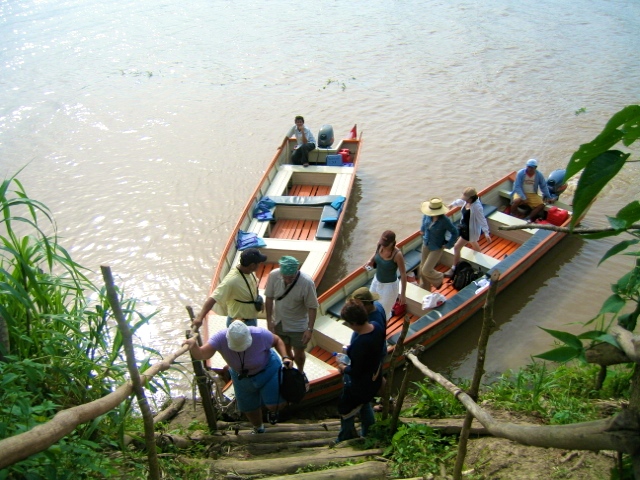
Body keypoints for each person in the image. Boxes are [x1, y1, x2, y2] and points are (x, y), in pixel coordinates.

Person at [184, 320, 293, 432]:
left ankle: (272, 407)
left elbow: (277, 340)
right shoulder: (220, 338)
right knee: (248, 407)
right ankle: (258, 427)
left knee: (275, 404)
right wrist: (194, 346)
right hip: (241, 376)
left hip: (267, 370)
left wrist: (285, 357)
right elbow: (202, 354)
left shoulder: (259, 333)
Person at [335, 299, 385, 442]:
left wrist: (343, 367)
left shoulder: (360, 344)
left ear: (354, 323)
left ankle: (345, 437)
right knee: (364, 404)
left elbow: (355, 371)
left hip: (360, 384)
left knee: (345, 409)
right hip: (374, 378)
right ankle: (368, 431)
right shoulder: (377, 327)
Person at [265, 256, 319, 373]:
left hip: (298, 326)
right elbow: (269, 298)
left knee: (299, 353)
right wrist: (269, 320)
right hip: (279, 322)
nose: (289, 280)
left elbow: (312, 307)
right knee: (285, 349)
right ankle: (290, 369)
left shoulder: (307, 283)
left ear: (297, 271)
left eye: (292, 278)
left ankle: (300, 372)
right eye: (286, 278)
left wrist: (309, 329)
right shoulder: (274, 275)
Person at [193, 248, 267, 329]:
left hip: (251, 317)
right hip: (239, 323)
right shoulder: (232, 281)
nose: (260, 265)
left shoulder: (250, 272)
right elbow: (213, 298)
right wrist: (200, 318)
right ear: (252, 265)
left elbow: (252, 288)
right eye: (259, 263)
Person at [445, 187, 492, 278]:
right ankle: (480, 258)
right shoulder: (467, 202)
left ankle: (454, 268)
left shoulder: (477, 207)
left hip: (470, 231)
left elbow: (482, 220)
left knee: (457, 247)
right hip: (464, 227)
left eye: (466, 199)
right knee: (473, 242)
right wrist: (452, 205)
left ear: (471, 198)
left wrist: (486, 232)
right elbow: (460, 201)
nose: (464, 200)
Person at [365, 230, 407, 321]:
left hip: (389, 287)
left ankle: (382, 332)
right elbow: (376, 253)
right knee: (369, 304)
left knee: (383, 313)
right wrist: (370, 260)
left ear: (392, 243)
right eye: (382, 243)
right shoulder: (380, 245)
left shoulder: (397, 255)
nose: (383, 245)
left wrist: (402, 294)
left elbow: (403, 275)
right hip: (377, 280)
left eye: (385, 244)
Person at [419, 198, 459, 291]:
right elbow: (423, 225)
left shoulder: (444, 221)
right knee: (422, 271)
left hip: (437, 247)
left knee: (426, 270)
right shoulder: (427, 215)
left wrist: (449, 244)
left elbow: (455, 232)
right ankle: (425, 290)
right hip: (426, 243)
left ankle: (440, 277)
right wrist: (422, 230)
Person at [511, 158, 556, 222]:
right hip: (520, 192)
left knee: (541, 205)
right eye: (528, 167)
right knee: (516, 201)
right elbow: (517, 186)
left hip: (532, 194)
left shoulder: (539, 175)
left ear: (535, 167)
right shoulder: (520, 173)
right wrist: (523, 197)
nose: (529, 169)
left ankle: (528, 218)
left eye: (532, 167)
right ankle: (513, 214)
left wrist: (549, 197)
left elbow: (543, 186)